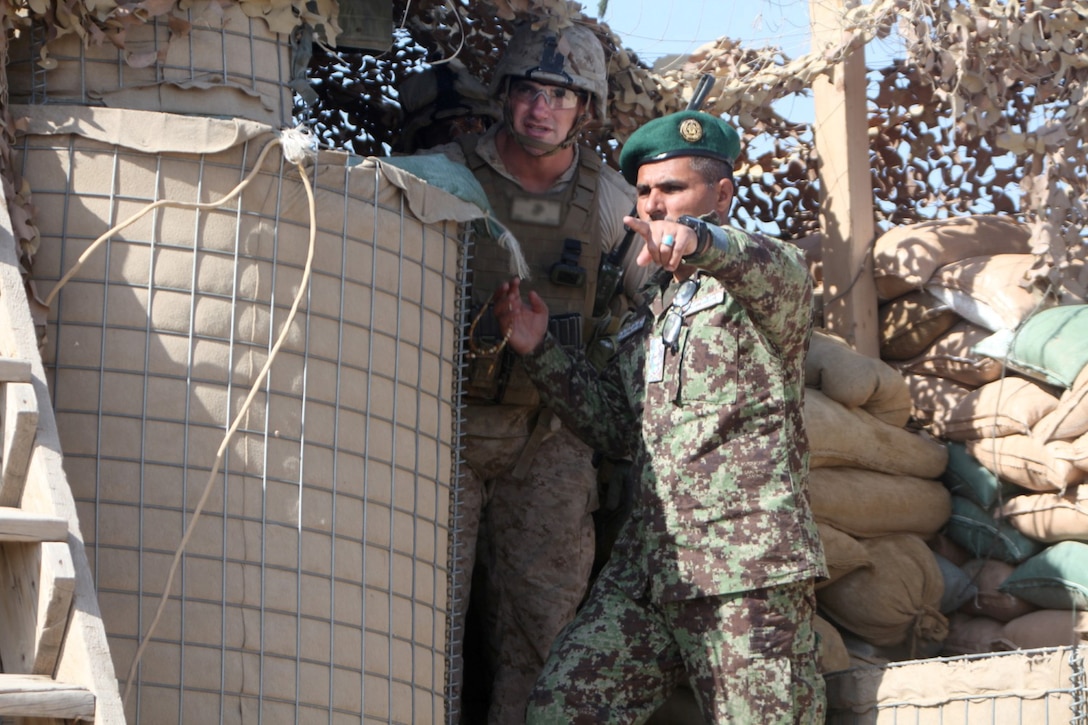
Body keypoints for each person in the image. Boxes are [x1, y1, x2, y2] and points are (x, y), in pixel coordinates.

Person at [491, 109, 829, 723]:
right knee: (562, 709)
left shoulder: (760, 284)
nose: (653, 204)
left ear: (721, 193)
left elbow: (769, 265)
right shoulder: (644, 313)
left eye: (672, 189)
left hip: (741, 568)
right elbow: (620, 431)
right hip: (649, 571)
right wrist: (539, 352)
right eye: (645, 191)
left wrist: (701, 242)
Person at [416, 21, 653, 724]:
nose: (541, 109)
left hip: (547, 435)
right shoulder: (441, 174)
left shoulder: (611, 203)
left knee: (542, 629)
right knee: (421, 619)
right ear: (505, 95)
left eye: (562, 95)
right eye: (529, 90)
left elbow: (657, 313)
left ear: (586, 110)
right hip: (440, 428)